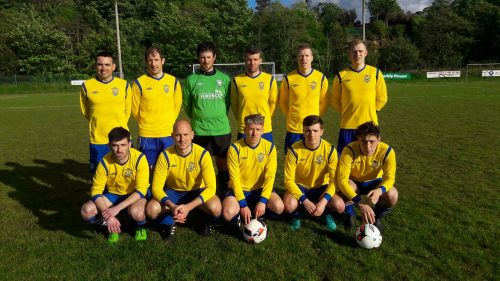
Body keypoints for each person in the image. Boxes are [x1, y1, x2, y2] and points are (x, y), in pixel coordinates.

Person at [147, 120, 221, 239]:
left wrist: (189, 207)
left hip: (197, 190)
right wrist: (172, 206)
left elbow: (211, 188)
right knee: (151, 209)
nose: (182, 139)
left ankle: (201, 220)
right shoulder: (165, 155)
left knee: (216, 208)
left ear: (192, 135)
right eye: (178, 135)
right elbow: (156, 187)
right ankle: (168, 222)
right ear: (172, 136)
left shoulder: (202, 154)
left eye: (185, 135)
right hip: (174, 192)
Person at [80, 127, 149, 244]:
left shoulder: (139, 158)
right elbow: (96, 191)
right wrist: (109, 216)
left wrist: (116, 209)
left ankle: (138, 226)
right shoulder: (104, 162)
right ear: (109, 146)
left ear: (129, 144)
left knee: (136, 212)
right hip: (113, 195)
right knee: (86, 211)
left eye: (123, 145)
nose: (119, 150)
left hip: (134, 194)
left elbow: (141, 190)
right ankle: (111, 226)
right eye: (115, 145)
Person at [183, 41, 231, 196]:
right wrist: (200, 117)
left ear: (214, 58)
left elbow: (228, 102)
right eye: (202, 57)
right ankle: (202, 195)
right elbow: (187, 106)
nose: (205, 60)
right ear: (198, 58)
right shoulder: (191, 80)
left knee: (222, 163)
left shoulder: (224, 79)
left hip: (221, 130)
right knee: (201, 164)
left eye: (208, 57)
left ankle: (224, 191)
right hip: (199, 131)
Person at [283, 115, 344, 231]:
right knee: (289, 205)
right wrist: (304, 200)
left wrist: (324, 201)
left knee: (339, 206)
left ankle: (326, 213)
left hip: (322, 188)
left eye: (315, 131)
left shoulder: (330, 150)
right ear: (303, 131)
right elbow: (288, 181)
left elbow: (333, 180)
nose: (311, 135)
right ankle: (297, 215)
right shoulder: (294, 150)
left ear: (322, 131)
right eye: (308, 131)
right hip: (300, 187)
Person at [222, 114, 283, 230]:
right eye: (251, 129)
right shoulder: (234, 149)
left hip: (260, 189)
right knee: (227, 213)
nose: (254, 133)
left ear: (263, 131)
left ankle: (258, 215)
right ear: (245, 130)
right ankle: (242, 214)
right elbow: (234, 179)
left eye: (258, 130)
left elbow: (270, 177)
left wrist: (263, 201)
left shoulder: (270, 148)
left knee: (279, 207)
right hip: (239, 190)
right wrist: (243, 205)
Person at [336, 121, 397, 231]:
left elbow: (390, 178)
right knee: (346, 187)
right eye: (363, 142)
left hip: (375, 182)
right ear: (358, 139)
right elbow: (342, 181)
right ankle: (350, 213)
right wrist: (361, 202)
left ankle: (375, 216)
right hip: (354, 182)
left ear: (379, 139)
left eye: (371, 141)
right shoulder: (349, 150)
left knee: (392, 195)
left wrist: (379, 191)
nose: (368, 147)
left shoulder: (387, 151)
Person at [331, 39, 388, 156]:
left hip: (370, 126)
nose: (358, 54)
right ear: (349, 54)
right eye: (354, 52)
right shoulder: (341, 76)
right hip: (348, 126)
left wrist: (371, 110)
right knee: (344, 160)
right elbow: (335, 101)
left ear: (366, 53)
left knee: (368, 161)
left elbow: (382, 97)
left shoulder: (375, 73)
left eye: (360, 51)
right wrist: (348, 112)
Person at [80, 51, 131, 174]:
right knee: (98, 175)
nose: (104, 68)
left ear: (113, 67)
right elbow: (85, 111)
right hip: (98, 140)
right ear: (96, 66)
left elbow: (128, 111)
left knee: (125, 174)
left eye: (107, 65)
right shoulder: (87, 86)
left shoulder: (123, 85)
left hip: (121, 139)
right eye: (100, 64)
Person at [131, 47, 182, 171]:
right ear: (146, 62)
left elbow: (177, 107)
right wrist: (147, 123)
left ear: (162, 61)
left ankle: (167, 191)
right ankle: (148, 191)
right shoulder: (139, 83)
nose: (153, 64)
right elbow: (134, 110)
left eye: (156, 60)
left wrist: (167, 122)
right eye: (150, 60)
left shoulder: (173, 82)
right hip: (147, 134)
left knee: (168, 169)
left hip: (168, 133)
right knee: (148, 169)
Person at [279, 43, 329, 153]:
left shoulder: (321, 78)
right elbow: (282, 102)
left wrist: (315, 117)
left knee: (313, 162)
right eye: (301, 56)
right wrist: (291, 115)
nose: (304, 58)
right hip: (294, 129)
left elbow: (324, 102)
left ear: (312, 58)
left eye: (307, 55)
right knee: (291, 161)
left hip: (313, 128)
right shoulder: (289, 78)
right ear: (297, 58)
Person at [230, 46, 278, 143]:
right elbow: (234, 105)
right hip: (244, 128)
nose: (252, 63)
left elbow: (273, 103)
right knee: (243, 157)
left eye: (255, 59)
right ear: (245, 61)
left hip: (265, 129)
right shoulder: (237, 80)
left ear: (260, 61)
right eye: (249, 60)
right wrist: (242, 120)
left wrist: (265, 120)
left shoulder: (270, 79)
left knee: (265, 157)